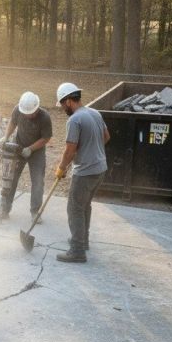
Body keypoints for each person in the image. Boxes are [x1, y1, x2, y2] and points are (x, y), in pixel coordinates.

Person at [54, 82, 109, 263]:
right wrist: (89, 150)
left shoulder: (75, 120)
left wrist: (61, 168)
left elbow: (70, 150)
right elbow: (106, 137)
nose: (63, 108)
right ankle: (82, 240)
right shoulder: (95, 113)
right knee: (85, 205)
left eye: (62, 104)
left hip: (85, 172)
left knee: (74, 208)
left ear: (69, 101)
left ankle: (77, 250)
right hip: (100, 168)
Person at [0, 91, 53, 222]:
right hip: (18, 146)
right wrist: (6, 136)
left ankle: (35, 212)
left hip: (36, 151)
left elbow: (46, 138)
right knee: (10, 178)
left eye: (30, 113)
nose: (28, 115)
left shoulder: (44, 117)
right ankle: (4, 209)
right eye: (25, 113)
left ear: (37, 108)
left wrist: (31, 149)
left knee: (38, 181)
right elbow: (12, 122)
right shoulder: (18, 109)